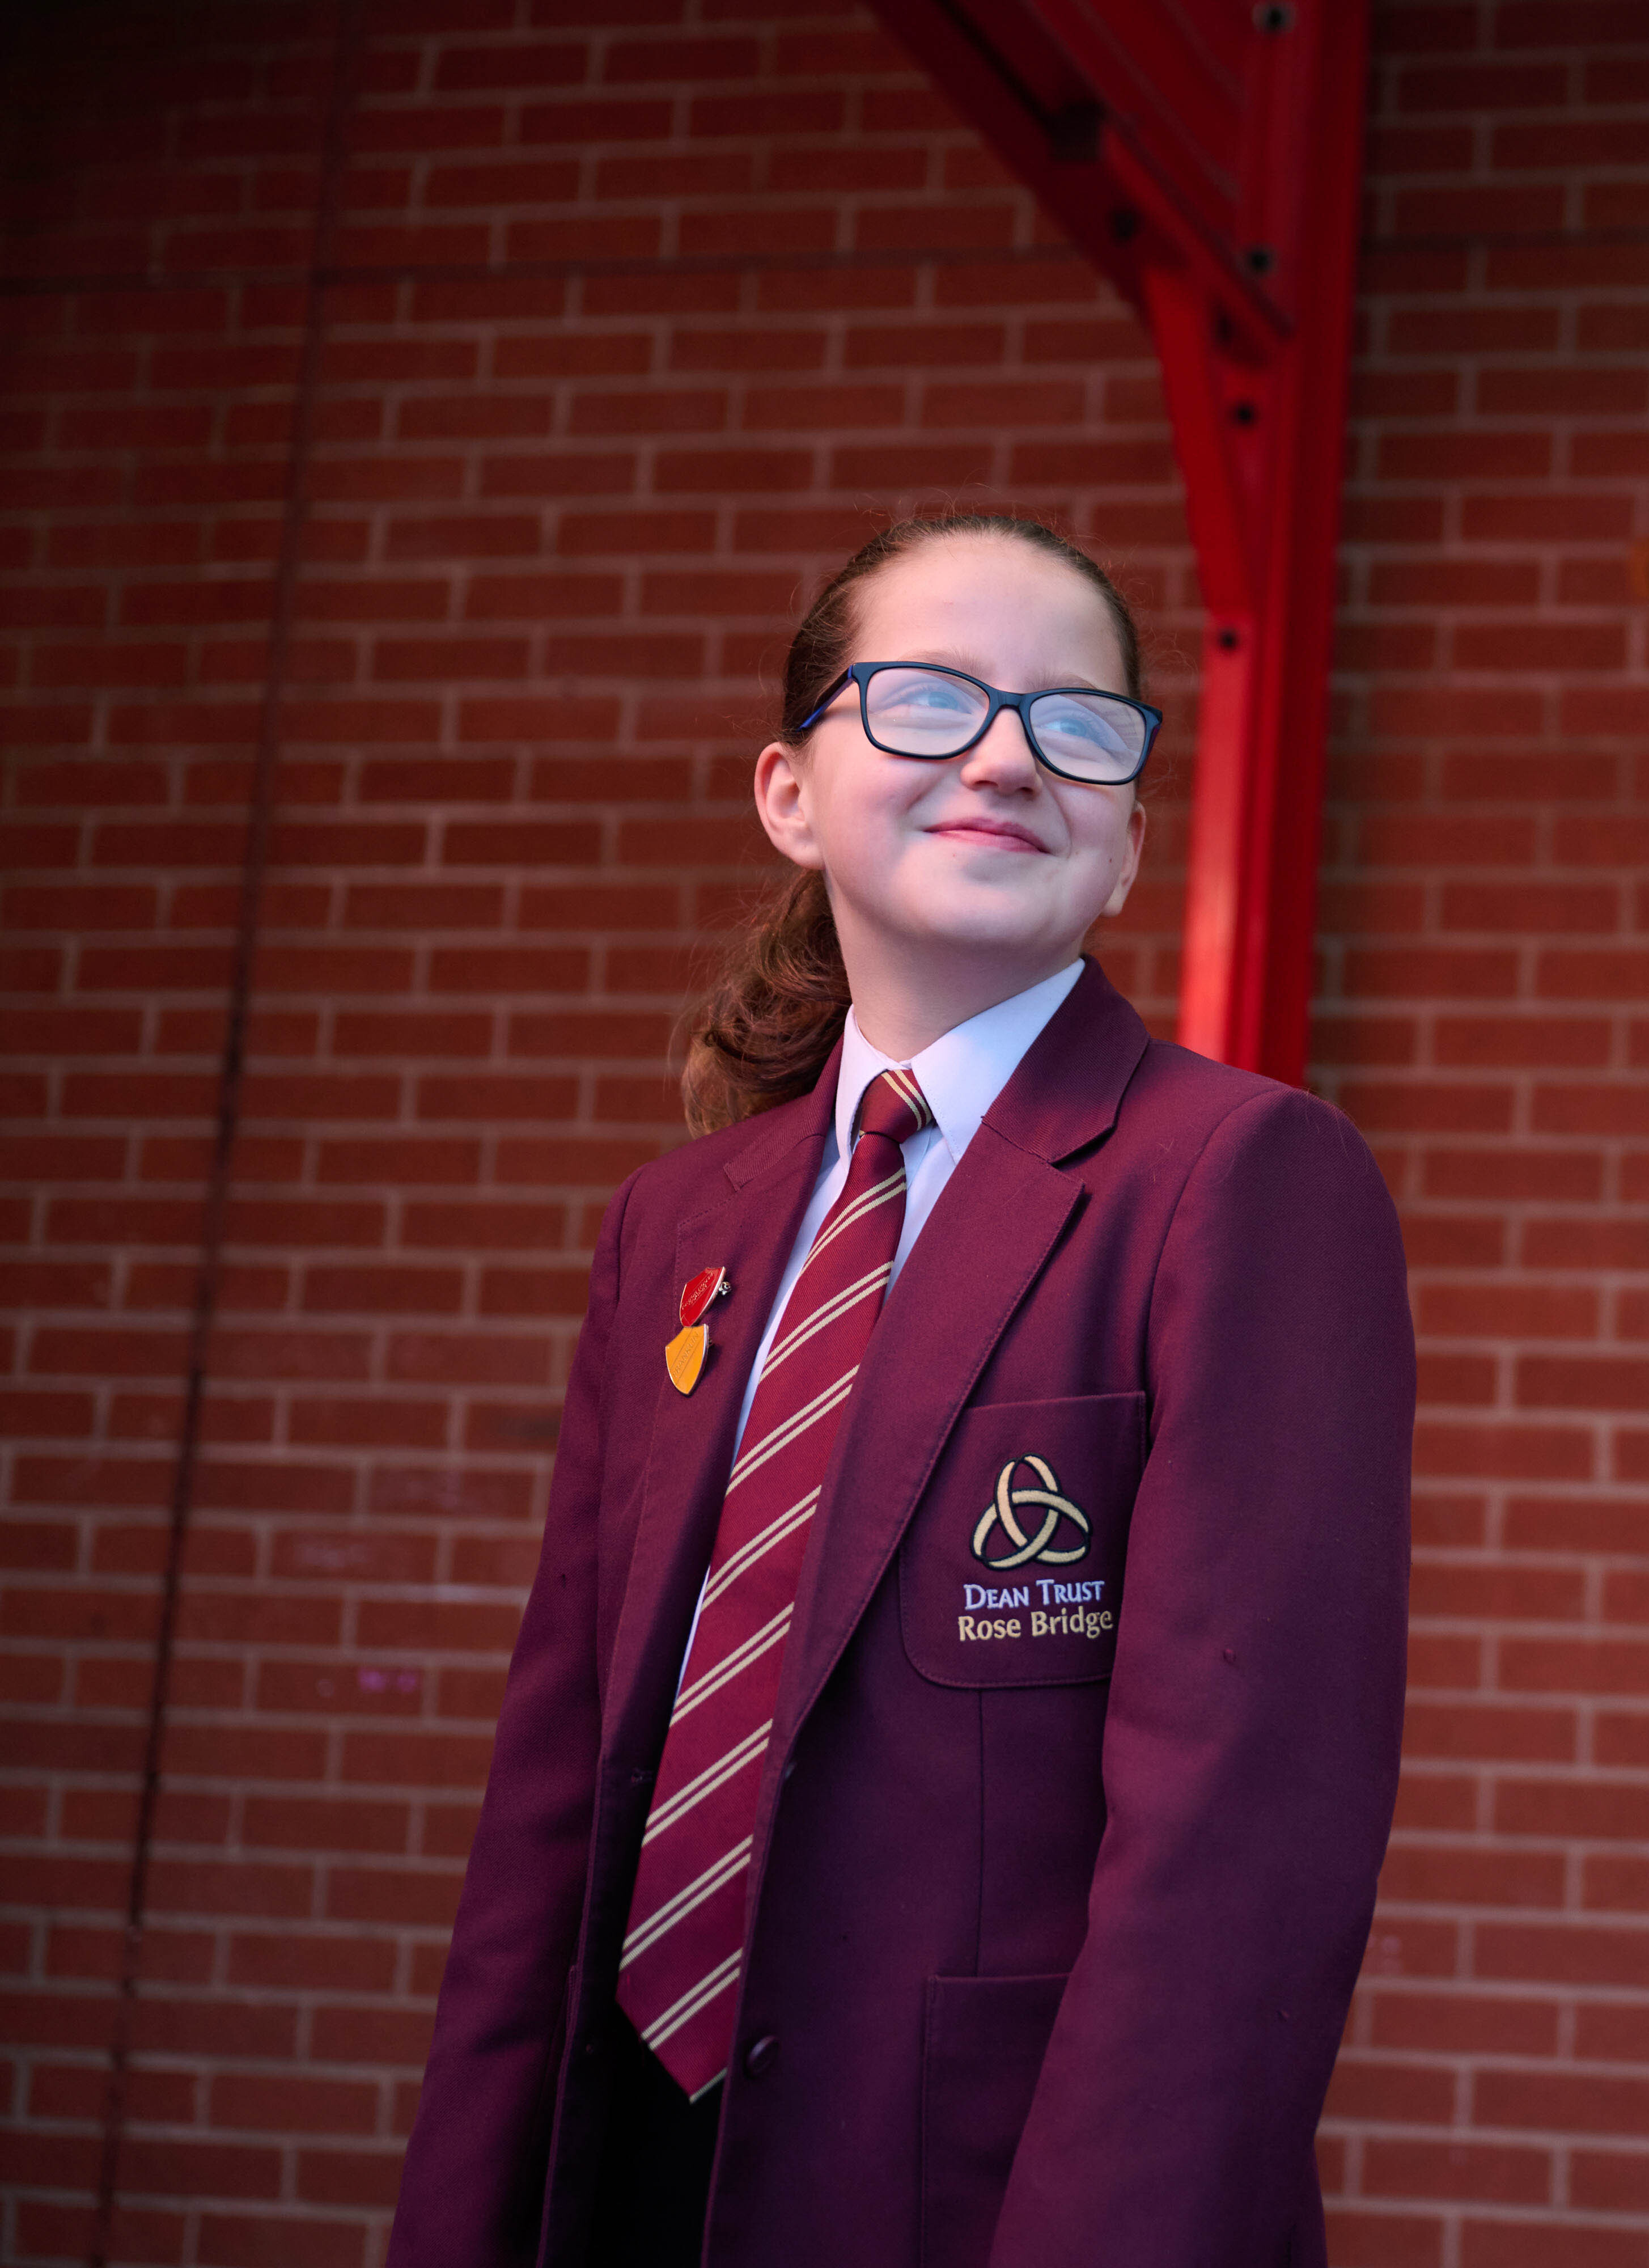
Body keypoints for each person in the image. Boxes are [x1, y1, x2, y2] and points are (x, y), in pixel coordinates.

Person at [387, 515, 1413, 2268]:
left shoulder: (1238, 1181)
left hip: (970, 2204)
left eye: (1077, 721)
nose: (1008, 752)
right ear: (791, 792)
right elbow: (555, 1799)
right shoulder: (674, 1229)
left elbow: (1234, 1868)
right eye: (931, 700)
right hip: (626, 2180)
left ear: (1129, 838)